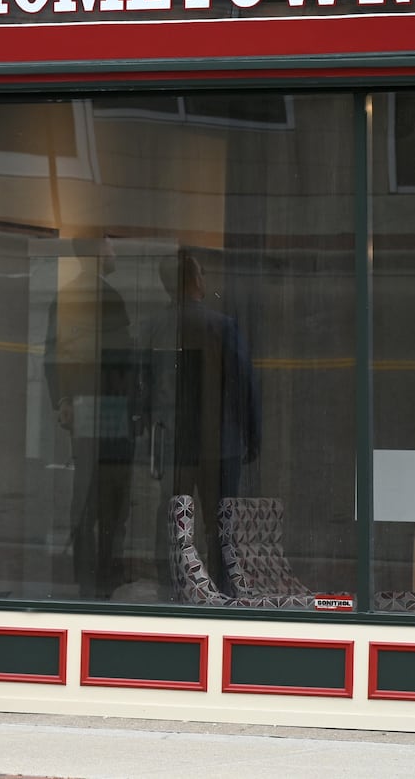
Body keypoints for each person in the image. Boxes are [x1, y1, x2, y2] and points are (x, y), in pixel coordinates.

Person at [142, 250, 260, 599]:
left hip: (175, 440)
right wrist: (252, 434)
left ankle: (172, 585)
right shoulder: (221, 326)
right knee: (219, 523)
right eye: (202, 274)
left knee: (175, 517)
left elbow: (143, 384)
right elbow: (243, 385)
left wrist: (148, 426)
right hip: (219, 443)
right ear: (195, 281)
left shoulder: (154, 326)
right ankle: (221, 591)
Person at [44, 243, 138, 600]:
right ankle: (105, 577)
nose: (115, 251)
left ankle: (86, 576)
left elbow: (53, 356)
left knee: (85, 492)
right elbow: (121, 361)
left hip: (82, 405)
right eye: (110, 244)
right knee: (113, 493)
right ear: (97, 251)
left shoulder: (66, 296)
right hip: (109, 406)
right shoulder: (108, 297)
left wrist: (64, 400)